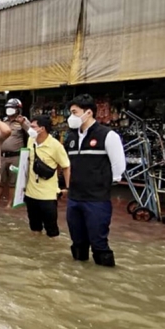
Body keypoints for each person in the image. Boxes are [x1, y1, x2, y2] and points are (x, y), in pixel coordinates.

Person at [64, 94, 126, 267]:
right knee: (78, 243)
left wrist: (102, 185)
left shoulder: (108, 135)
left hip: (96, 199)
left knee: (99, 243)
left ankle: (105, 276)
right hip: (74, 198)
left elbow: (118, 167)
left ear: (89, 112)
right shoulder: (71, 137)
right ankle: (78, 275)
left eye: (74, 112)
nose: (71, 117)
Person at [25, 115, 71, 237]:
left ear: (42, 128)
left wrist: (68, 188)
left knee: (51, 230)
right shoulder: (30, 141)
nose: (30, 129)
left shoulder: (56, 146)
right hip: (31, 193)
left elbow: (66, 166)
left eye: (33, 127)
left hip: (48, 195)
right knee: (34, 228)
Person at [0, 98, 31, 207]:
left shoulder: (23, 121)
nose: (9, 110)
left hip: (15, 157)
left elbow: (32, 133)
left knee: (13, 182)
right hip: (2, 156)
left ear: (18, 109)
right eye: (8, 108)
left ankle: (9, 203)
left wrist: (23, 124)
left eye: (12, 108)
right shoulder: (3, 122)